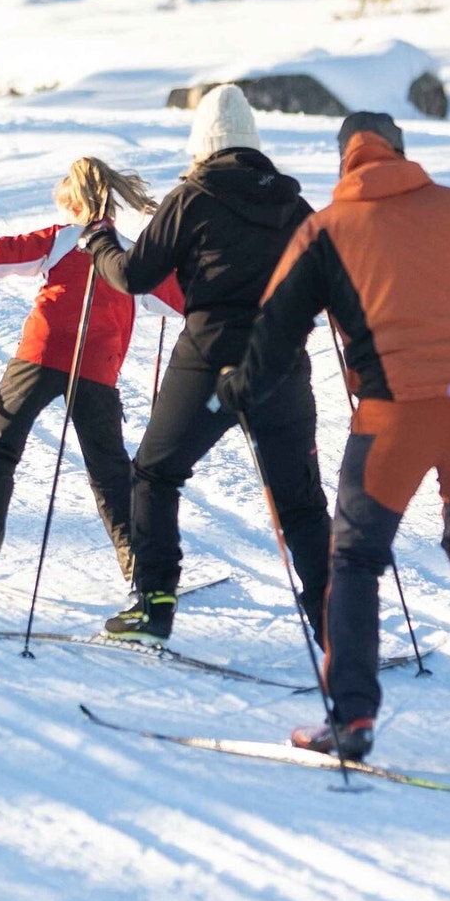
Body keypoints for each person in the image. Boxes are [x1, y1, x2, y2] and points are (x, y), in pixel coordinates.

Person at [216, 111, 450, 760]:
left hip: (395, 413)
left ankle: (352, 718)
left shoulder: (327, 229)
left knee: (353, 558)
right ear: (402, 153)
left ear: (344, 161)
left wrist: (237, 389)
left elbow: (273, 328)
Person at [83, 84, 331, 642]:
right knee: (301, 501)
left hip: (211, 361)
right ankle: (334, 621)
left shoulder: (193, 195)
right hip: (282, 365)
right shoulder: (294, 205)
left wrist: (99, 240)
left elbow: (133, 276)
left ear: (203, 144)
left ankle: (155, 605)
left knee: (155, 473)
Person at [0, 158, 181, 579]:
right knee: (109, 467)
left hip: (41, 354)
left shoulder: (62, 238)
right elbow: (177, 299)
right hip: (98, 365)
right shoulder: (133, 255)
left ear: (76, 206)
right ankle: (140, 560)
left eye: (67, 207)